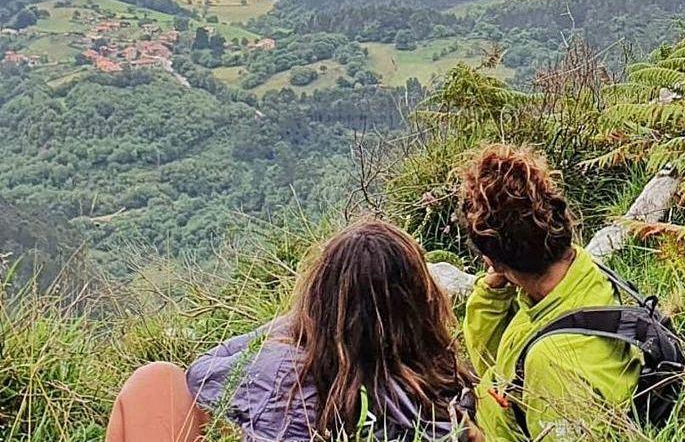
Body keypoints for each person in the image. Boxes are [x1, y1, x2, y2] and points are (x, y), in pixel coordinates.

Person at [106, 220, 476, 442]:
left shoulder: (283, 372)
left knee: (155, 381)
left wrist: (299, 322)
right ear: (421, 304)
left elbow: (201, 375)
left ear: (320, 294)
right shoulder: (444, 391)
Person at [458, 144, 641, 441]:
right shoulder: (575, 279)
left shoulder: (553, 364)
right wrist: (492, 292)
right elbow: (501, 366)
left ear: (492, 259)